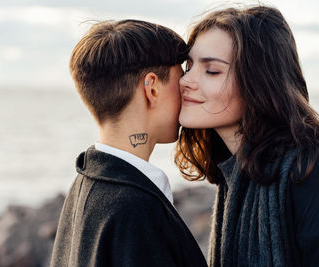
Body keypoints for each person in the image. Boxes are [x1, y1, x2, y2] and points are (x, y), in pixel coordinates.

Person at [50, 19, 207, 267]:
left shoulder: (84, 184)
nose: (188, 89)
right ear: (152, 88)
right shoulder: (134, 209)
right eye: (181, 78)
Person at [175, 5, 319, 266]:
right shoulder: (233, 172)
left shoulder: (308, 166)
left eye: (212, 71)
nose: (186, 81)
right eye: (189, 65)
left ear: (259, 82)